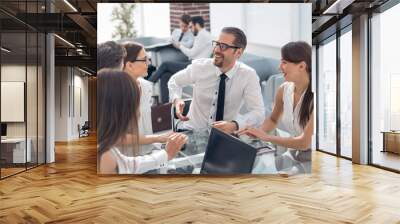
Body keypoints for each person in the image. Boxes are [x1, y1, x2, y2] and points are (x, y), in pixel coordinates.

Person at [168, 27, 265, 134]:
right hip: (191, 131)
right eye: (216, 44)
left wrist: (235, 125)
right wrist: (176, 98)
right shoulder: (200, 67)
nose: (216, 50)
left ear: (238, 52)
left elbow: (258, 112)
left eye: (223, 46)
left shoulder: (248, 75)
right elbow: (174, 81)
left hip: (223, 136)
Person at [238, 41, 313, 174]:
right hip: (293, 154)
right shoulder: (283, 90)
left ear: (301, 66)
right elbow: (273, 120)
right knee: (255, 171)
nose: (279, 67)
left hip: (312, 160)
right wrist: (256, 132)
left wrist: (266, 137)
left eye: (284, 62)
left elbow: (304, 143)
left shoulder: (315, 98)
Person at [97, 69, 188, 174]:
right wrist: (165, 153)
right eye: (136, 104)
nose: (139, 113)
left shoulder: (105, 146)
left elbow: (128, 164)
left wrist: (166, 154)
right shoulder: (104, 157)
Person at [122, 42, 173, 154]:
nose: (149, 63)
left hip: (148, 153)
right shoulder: (118, 94)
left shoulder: (145, 86)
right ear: (129, 65)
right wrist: (157, 138)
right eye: (145, 59)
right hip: (129, 161)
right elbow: (120, 138)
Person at [148, 16, 213, 103]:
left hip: (195, 66)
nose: (190, 29)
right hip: (194, 64)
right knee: (165, 76)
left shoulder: (202, 35)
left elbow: (191, 53)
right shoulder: (205, 35)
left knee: (165, 65)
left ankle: (147, 84)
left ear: (196, 25)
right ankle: (165, 105)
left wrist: (179, 46)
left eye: (191, 27)